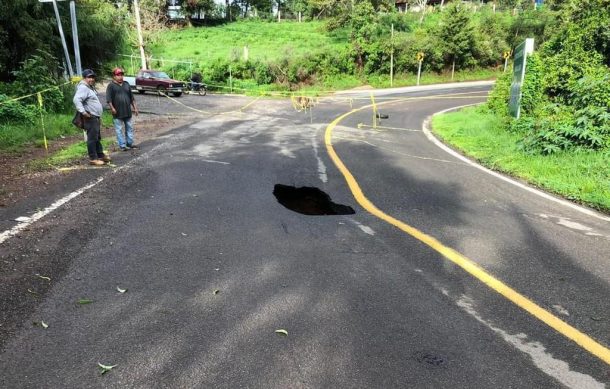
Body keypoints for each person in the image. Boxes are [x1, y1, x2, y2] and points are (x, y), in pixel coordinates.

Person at [73, 69, 110, 166]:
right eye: (89, 77)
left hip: (95, 116)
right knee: (92, 138)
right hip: (90, 117)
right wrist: (83, 112)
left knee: (96, 137)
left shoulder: (89, 87)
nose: (91, 79)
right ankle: (93, 158)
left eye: (92, 77)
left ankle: (100, 155)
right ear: (84, 78)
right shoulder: (83, 88)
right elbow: (76, 99)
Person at [106, 67, 139, 151]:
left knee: (129, 128)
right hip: (117, 113)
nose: (120, 77)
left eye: (121, 75)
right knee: (119, 129)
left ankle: (129, 143)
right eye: (118, 75)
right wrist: (112, 108)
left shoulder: (126, 84)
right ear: (114, 76)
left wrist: (135, 108)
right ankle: (122, 146)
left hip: (127, 111)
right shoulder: (111, 86)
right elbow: (109, 100)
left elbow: (131, 97)